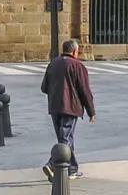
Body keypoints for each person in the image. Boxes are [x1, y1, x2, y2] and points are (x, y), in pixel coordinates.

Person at [40, 38, 96, 179]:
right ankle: (52, 163)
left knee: (65, 138)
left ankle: (71, 168)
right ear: (74, 51)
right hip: (70, 106)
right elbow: (84, 90)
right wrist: (91, 111)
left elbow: (44, 87)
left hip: (54, 107)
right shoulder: (78, 66)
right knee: (65, 138)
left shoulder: (52, 64)